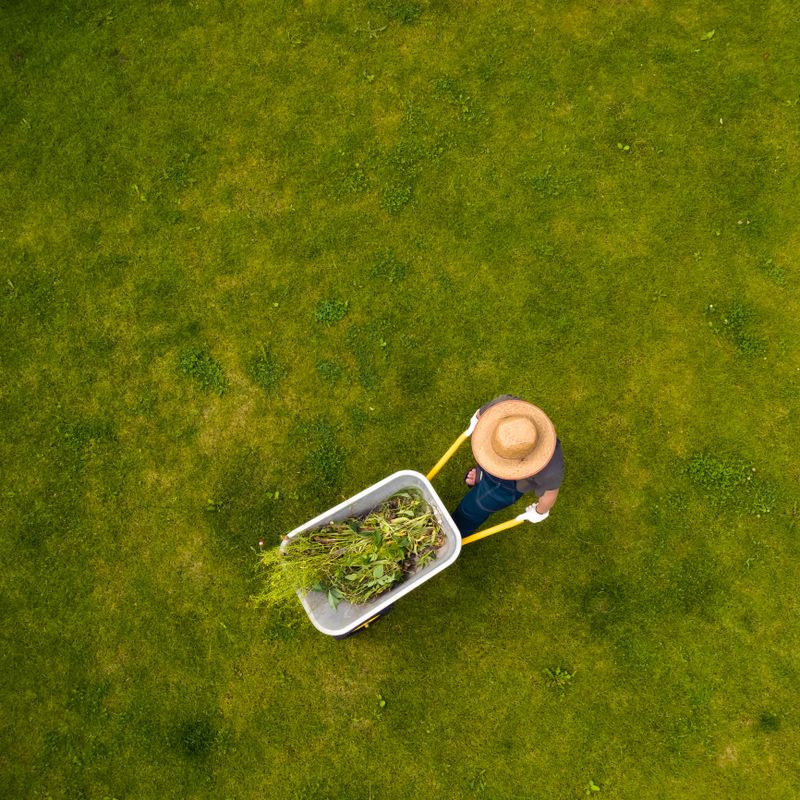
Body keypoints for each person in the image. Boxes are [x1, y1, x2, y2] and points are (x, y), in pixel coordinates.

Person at [451, 395, 563, 536]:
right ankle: (483, 475)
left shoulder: (550, 469)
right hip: (496, 457)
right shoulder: (507, 406)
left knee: (472, 509)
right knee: (487, 463)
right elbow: (490, 407)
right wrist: (477, 419)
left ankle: (456, 531)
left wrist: (539, 511)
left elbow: (550, 493)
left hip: (507, 487)